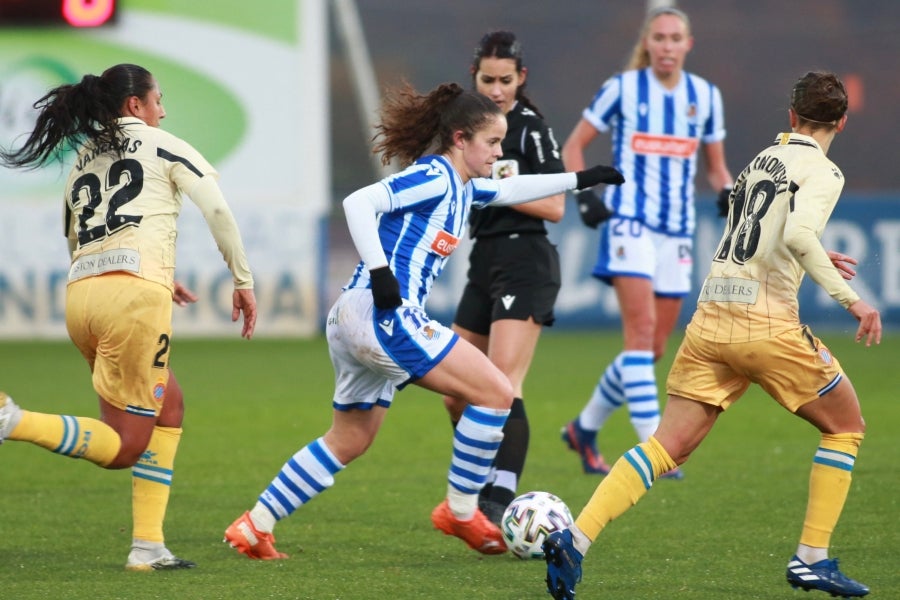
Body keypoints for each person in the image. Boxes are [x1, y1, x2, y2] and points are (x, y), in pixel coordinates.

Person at [222, 81, 623, 559]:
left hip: (356, 316)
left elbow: (513, 187)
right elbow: (358, 203)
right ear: (459, 139)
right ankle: (459, 510)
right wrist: (381, 272)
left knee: (349, 438)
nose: (499, 152)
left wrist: (580, 178)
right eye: (492, 143)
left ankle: (255, 525)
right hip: (384, 312)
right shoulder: (434, 176)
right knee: (496, 392)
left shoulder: (464, 187)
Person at [543, 71, 880, 600]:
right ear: (840, 121)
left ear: (790, 117)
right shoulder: (824, 171)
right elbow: (794, 232)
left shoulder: (758, 163)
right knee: (846, 427)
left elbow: (765, 234)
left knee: (665, 446)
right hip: (766, 325)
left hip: (711, 317)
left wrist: (810, 250)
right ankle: (811, 557)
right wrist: (853, 299)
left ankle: (574, 540)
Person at [0, 63, 257, 570]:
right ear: (135, 105)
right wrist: (243, 281)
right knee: (123, 448)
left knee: (171, 406)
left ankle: (148, 547)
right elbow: (219, 212)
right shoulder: (167, 145)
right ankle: (11, 419)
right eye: (158, 99)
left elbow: (76, 237)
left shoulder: (81, 162)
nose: (164, 109)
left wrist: (151, 275)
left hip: (83, 296)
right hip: (133, 301)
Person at [558, 6, 735, 479]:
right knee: (637, 338)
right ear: (648, 42)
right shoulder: (623, 88)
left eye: (676, 38)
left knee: (654, 349)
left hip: (675, 231)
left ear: (688, 44)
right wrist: (585, 196)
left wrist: (728, 194)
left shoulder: (705, 96)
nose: (668, 46)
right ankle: (652, 448)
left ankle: (583, 428)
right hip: (628, 224)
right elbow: (573, 146)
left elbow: (715, 166)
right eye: (659, 37)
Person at [441, 30, 586, 525]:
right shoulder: (469, 129)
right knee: (454, 392)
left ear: (521, 79)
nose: (498, 89)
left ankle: (499, 499)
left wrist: (493, 187)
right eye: (488, 79)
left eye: (506, 80)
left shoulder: (527, 128)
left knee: (501, 384)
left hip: (526, 260)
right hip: (484, 261)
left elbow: (554, 205)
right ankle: (484, 477)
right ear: (475, 79)